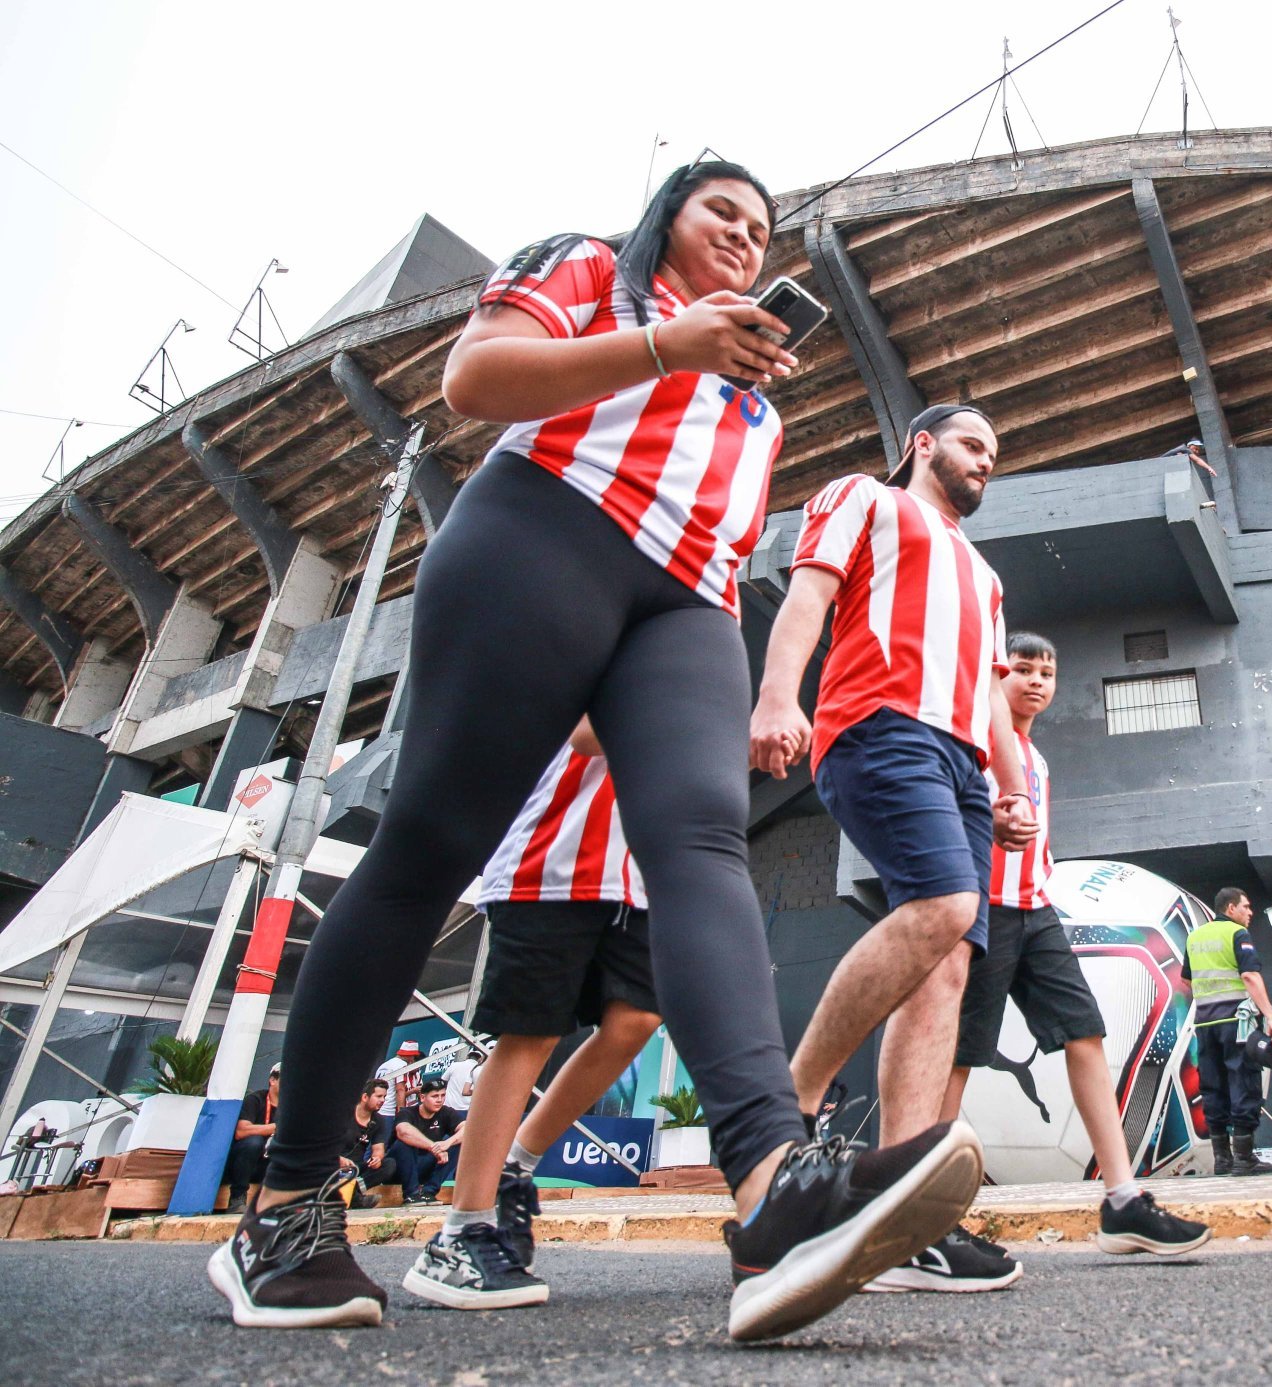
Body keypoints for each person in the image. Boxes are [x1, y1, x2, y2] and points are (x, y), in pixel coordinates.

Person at [212, 162, 980, 1341]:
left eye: (763, 228)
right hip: (545, 531)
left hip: (684, 603)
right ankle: (284, 1202)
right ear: (666, 213)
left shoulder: (755, 407)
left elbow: (721, 542)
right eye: (722, 209)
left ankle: (773, 1192)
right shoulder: (590, 271)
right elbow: (476, 381)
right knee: (427, 847)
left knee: (701, 849)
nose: (743, 233)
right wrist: (671, 345)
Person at [752, 402, 1023, 1205]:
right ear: (923, 443)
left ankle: (899, 1197)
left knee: (945, 969)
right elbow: (807, 594)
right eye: (975, 443)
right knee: (943, 904)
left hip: (965, 765)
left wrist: (1011, 786)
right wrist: (776, 696)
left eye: (995, 454)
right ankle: (787, 1111)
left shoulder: (986, 574)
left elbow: (993, 691)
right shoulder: (865, 497)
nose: (986, 461)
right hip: (881, 724)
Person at [902, 631, 1206, 1292]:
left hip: (1037, 911)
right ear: (995, 675)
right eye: (1023, 669)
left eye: (1049, 670)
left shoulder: (1035, 758)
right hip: (980, 910)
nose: (1038, 681)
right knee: (957, 1061)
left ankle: (1123, 1200)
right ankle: (925, 1215)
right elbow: (941, 816)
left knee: (1086, 1031)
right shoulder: (971, 740)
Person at [404, 724, 668, 1309]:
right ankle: (460, 1231)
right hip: (553, 856)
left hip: (636, 873)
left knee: (639, 1020)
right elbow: (586, 733)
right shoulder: (611, 638)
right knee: (532, 1034)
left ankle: (515, 1166)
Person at [1185, 887, 1272, 1175]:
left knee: (1212, 1086)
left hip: (1205, 1024)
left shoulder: (1194, 937)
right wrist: (1271, 1018)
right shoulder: (1237, 934)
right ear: (1230, 909)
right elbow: (1250, 975)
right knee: (1244, 1081)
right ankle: (1244, 1158)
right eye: (1246, 907)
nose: (1250, 912)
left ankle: (1222, 1159)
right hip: (1236, 1023)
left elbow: (1188, 981)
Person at [392, 1079, 465, 1204]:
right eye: (434, 1096)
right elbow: (403, 1131)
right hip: (400, 1168)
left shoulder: (446, 1112)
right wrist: (433, 1147)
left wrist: (448, 1142)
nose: (439, 1100)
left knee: (459, 1144)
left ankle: (429, 1192)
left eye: (442, 1095)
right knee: (404, 1143)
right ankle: (412, 1194)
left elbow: (468, 1128)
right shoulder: (407, 1112)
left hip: (426, 1165)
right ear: (422, 1097)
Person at [223, 1063, 281, 1213]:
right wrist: (276, 1127)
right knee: (253, 1142)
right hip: (245, 1164)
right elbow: (241, 1131)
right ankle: (237, 1199)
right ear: (272, 1080)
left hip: (272, 1166)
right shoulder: (256, 1099)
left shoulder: (292, 1107)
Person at [341, 1080, 396, 1208]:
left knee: (389, 1164)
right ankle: (355, 1199)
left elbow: (379, 1149)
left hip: (357, 1167)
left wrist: (377, 1158)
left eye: (384, 1097)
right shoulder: (343, 1115)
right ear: (365, 1097)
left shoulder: (378, 1120)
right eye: (379, 1096)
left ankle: (353, 1193)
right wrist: (338, 1159)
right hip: (336, 1163)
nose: (382, 1100)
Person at [373, 1041, 421, 1140]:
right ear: (410, 1055)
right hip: (388, 1111)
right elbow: (400, 1089)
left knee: (374, 1142)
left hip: (377, 1109)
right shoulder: (401, 1065)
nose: (413, 1060)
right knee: (382, 1142)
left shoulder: (384, 1065)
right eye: (413, 1057)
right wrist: (402, 1113)